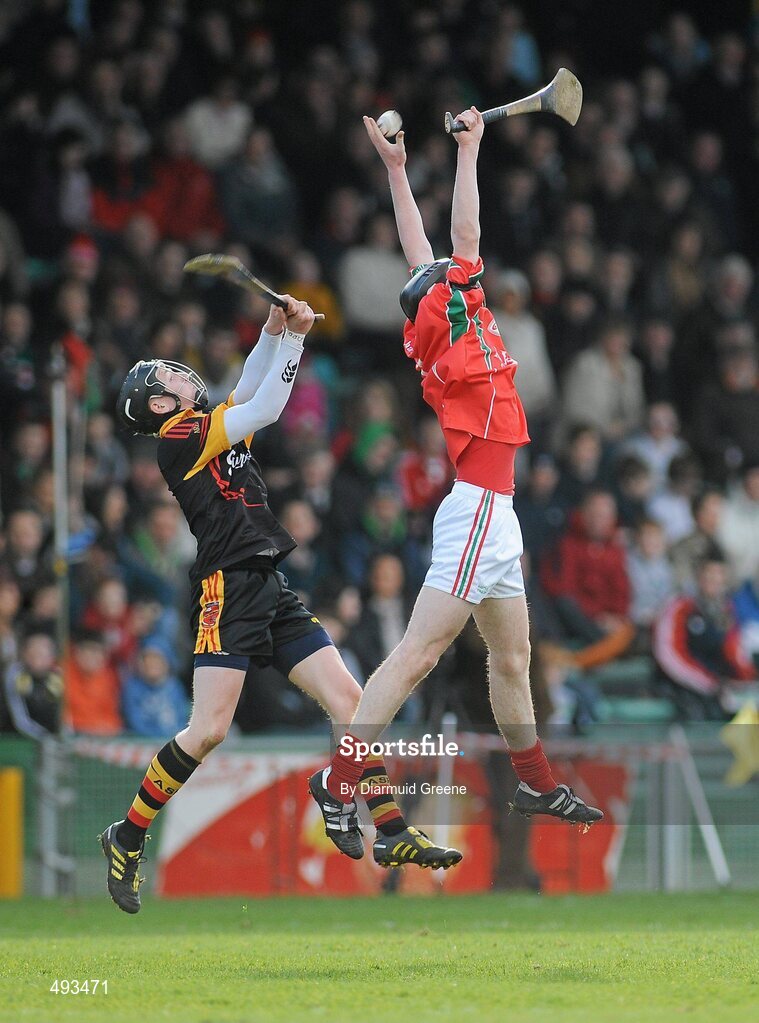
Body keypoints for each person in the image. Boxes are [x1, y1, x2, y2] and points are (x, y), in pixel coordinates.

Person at [100, 295, 459, 915]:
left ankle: (391, 830)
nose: (180, 375)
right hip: (226, 590)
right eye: (167, 378)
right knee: (208, 730)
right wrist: (295, 340)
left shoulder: (204, 421)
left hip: (269, 584)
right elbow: (264, 406)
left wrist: (270, 332)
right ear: (158, 406)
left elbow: (243, 395)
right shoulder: (178, 438)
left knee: (351, 700)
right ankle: (128, 835)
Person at [309, 109, 602, 834]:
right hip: (475, 508)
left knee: (511, 656)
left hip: (492, 512)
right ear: (445, 297)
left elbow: (422, 250)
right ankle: (338, 778)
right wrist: (469, 151)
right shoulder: (456, 311)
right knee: (417, 654)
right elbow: (462, 238)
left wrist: (397, 172)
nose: (452, 269)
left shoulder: (431, 317)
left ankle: (532, 781)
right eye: (448, 278)